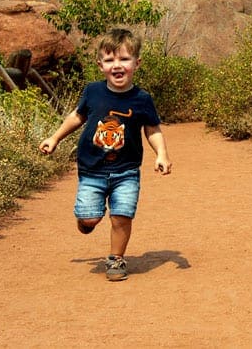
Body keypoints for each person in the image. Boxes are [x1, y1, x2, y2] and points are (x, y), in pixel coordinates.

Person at [39, 27, 172, 282]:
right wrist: (54, 138)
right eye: (110, 60)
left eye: (124, 59)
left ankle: (116, 259)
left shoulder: (142, 99)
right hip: (92, 170)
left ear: (136, 63)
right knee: (91, 218)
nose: (117, 65)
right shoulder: (93, 91)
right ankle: (86, 221)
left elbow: (152, 128)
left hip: (127, 171)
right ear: (101, 65)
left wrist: (162, 154)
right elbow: (77, 116)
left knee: (122, 216)